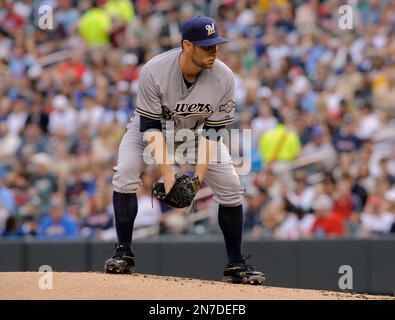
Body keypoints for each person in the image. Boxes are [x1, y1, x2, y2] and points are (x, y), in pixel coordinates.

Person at [104, 16, 265, 285]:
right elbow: (151, 130)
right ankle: (124, 253)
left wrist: (195, 180)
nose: (214, 51)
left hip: (197, 133)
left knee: (231, 186)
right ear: (187, 45)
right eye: (207, 47)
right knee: (125, 173)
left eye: (216, 45)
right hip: (153, 130)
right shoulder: (154, 71)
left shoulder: (223, 77)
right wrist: (168, 176)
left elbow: (214, 133)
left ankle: (235, 264)